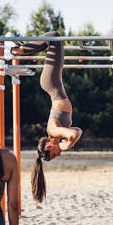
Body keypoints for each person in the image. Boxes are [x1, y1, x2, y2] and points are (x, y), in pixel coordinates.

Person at [5, 31, 82, 203]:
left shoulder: (53, 130)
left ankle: (14, 51)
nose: (58, 154)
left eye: (54, 154)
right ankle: (16, 48)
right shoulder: (58, 134)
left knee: (54, 37)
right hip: (54, 85)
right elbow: (78, 131)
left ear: (48, 145)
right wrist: (67, 143)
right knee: (57, 41)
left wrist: (64, 146)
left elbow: (74, 134)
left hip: (51, 83)